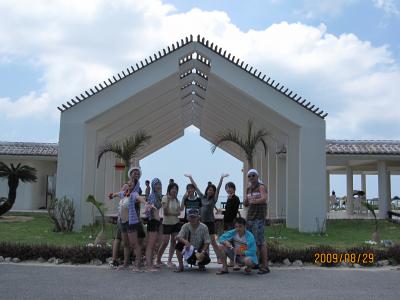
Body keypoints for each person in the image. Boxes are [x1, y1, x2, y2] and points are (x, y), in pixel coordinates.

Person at [184, 173, 229, 263]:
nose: (210, 191)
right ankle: (204, 259)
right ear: (207, 190)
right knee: (204, 242)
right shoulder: (202, 197)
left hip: (210, 223)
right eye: (209, 190)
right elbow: (196, 187)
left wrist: (221, 178)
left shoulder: (213, 200)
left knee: (213, 242)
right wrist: (190, 178)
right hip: (201, 223)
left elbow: (218, 190)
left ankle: (219, 258)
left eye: (212, 190)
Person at [243, 169, 270, 274]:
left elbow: (264, 198)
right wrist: (246, 201)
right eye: (249, 176)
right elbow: (246, 203)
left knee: (260, 242)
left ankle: (265, 265)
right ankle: (256, 262)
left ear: (257, 176)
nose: (251, 178)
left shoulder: (261, 186)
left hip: (259, 217)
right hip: (250, 217)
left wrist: (254, 201)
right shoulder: (248, 189)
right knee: (251, 241)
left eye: (253, 175)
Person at [126, 167, 147, 271]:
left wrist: (145, 203)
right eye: (134, 173)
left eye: (138, 174)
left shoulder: (136, 189)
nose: (136, 175)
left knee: (137, 242)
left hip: (134, 218)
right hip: (127, 218)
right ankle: (137, 261)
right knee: (133, 243)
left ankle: (138, 263)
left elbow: (138, 197)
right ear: (130, 174)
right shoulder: (128, 186)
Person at [156, 182, 181, 268]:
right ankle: (158, 259)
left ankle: (169, 261)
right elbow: (165, 212)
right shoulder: (165, 198)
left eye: (176, 189)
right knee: (165, 242)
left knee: (174, 242)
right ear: (169, 189)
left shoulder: (177, 200)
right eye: (173, 188)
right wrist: (169, 200)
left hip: (176, 223)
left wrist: (173, 213)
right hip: (167, 223)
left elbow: (179, 213)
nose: (174, 190)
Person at [108, 183, 130, 269]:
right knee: (119, 239)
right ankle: (115, 260)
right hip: (122, 221)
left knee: (122, 240)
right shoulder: (123, 197)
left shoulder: (127, 197)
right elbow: (115, 194)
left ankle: (121, 261)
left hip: (125, 221)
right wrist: (111, 195)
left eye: (127, 188)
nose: (125, 189)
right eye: (124, 187)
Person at [144, 178, 163, 272]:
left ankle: (151, 263)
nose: (158, 186)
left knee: (155, 244)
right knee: (150, 245)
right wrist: (150, 208)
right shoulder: (152, 196)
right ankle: (149, 265)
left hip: (156, 221)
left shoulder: (159, 196)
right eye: (156, 184)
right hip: (152, 221)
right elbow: (149, 207)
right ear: (153, 186)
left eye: (159, 184)